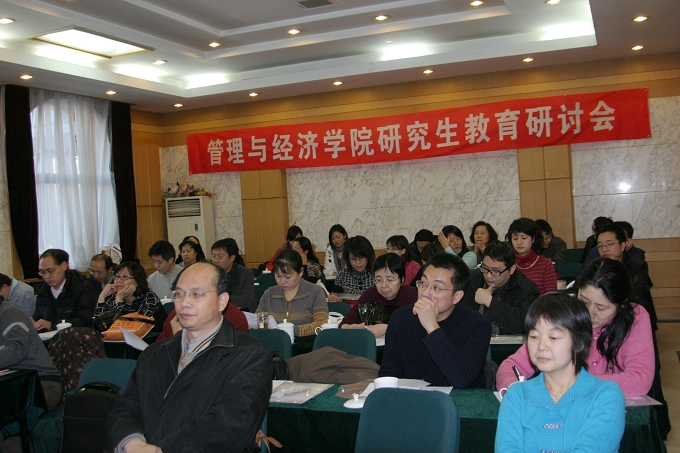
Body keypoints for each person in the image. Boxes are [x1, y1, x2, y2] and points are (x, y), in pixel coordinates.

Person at [106, 262, 272, 453]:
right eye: (179, 293)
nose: (184, 302)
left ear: (222, 301)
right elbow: (125, 407)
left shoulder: (250, 355)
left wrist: (161, 450)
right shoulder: (155, 353)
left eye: (197, 294)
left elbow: (231, 423)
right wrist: (132, 443)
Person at [496, 258, 655, 397]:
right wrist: (512, 388)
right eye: (584, 301)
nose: (590, 313)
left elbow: (640, 379)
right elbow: (512, 366)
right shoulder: (565, 311)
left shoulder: (636, 317)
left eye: (601, 307)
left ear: (621, 305)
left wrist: (568, 385)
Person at [495, 293, 625, 453]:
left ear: (580, 343)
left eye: (554, 337)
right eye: (534, 336)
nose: (541, 346)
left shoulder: (605, 395)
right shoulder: (517, 395)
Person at [379, 253, 491, 388]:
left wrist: (431, 327)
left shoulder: (477, 325)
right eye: (423, 283)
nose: (425, 293)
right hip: (412, 397)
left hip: (459, 398)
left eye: (436, 288)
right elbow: (388, 375)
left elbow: (462, 379)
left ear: (457, 296)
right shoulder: (400, 319)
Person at [0, 299, 62, 453]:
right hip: (12, 387)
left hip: (41, 384)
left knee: (7, 423)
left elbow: (16, 350)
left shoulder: (10, 313)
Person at [461, 241, 539, 335]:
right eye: (485, 268)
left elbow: (524, 326)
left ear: (512, 269)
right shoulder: (470, 281)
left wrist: (490, 302)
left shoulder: (527, 290)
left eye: (496, 271)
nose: (489, 276)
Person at [339, 253, 418, 337]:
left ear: (402, 280)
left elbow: (417, 327)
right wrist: (351, 328)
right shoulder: (369, 294)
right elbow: (344, 324)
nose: (384, 285)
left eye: (390, 280)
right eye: (379, 280)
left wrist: (388, 328)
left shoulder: (412, 295)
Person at [595, 223, 657, 330]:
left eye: (609, 244)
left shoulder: (637, 265)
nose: (604, 249)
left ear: (623, 246)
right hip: (600, 314)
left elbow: (636, 295)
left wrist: (615, 269)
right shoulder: (594, 266)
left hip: (630, 315)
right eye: (600, 246)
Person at [257, 249, 328, 337]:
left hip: (305, 342)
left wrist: (290, 330)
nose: (282, 281)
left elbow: (321, 323)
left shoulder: (315, 292)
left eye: (288, 277)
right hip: (273, 341)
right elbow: (258, 321)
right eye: (278, 276)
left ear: (300, 272)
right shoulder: (269, 294)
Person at [33, 249, 97, 331]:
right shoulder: (43, 291)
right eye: (42, 272)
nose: (46, 276)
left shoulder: (82, 288)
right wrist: (34, 323)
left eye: (50, 271)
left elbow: (85, 320)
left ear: (64, 266)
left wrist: (53, 325)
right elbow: (38, 317)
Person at [94, 261, 167, 328]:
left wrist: (119, 299)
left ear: (137, 281)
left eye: (125, 277)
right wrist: (102, 297)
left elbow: (130, 326)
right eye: (117, 276)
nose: (119, 280)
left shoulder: (149, 297)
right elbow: (99, 326)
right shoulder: (113, 298)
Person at [507, 217, 558, 295]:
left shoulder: (546, 264)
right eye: (515, 238)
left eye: (524, 238)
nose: (519, 242)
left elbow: (551, 297)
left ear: (533, 239)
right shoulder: (507, 264)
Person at [210, 238, 256, 312]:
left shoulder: (245, 273)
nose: (215, 260)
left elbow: (247, 300)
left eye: (220, 257)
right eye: (213, 256)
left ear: (232, 258)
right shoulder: (209, 273)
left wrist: (218, 298)